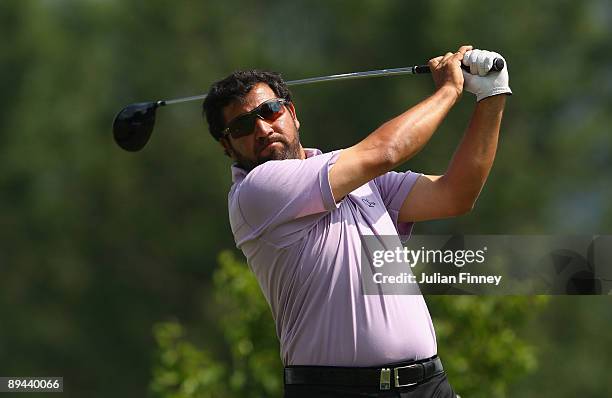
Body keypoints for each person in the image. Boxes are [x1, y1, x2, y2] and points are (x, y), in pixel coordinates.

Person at [202, 45, 511, 397]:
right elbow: (386, 152)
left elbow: (456, 194)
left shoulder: (354, 176)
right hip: (337, 389)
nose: (262, 128)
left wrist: (492, 94)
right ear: (228, 147)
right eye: (243, 125)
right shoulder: (257, 191)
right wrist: (449, 90)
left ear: (292, 113)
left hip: (429, 385)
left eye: (270, 111)